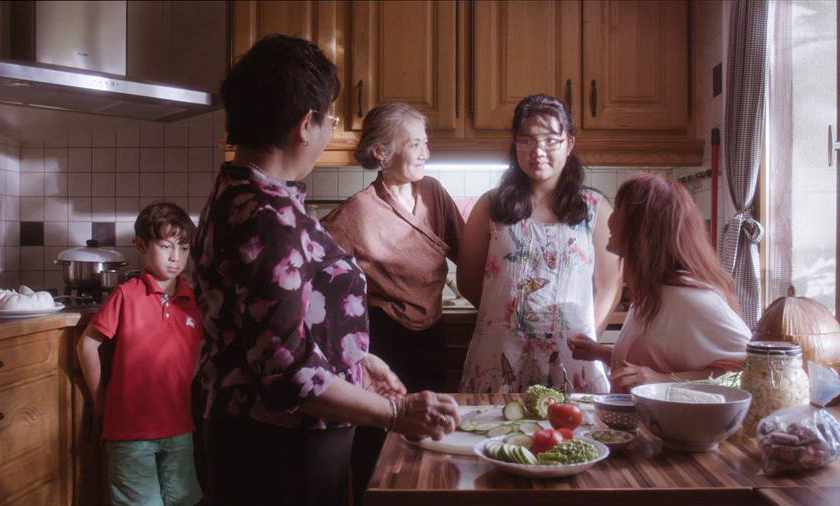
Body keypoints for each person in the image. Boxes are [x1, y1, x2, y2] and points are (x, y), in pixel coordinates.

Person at [191, 35, 460, 506]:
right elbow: (289, 374)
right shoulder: (268, 219)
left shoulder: (242, 195)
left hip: (258, 440)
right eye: (329, 120)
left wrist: (355, 360)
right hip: (278, 454)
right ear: (304, 125)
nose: (329, 131)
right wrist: (395, 411)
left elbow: (272, 327)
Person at [321, 101, 464, 503]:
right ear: (381, 153)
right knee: (378, 448)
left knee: (434, 437)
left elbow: (470, 257)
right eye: (415, 144)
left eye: (425, 143)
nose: (425, 153)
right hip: (382, 342)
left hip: (431, 335)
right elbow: (315, 275)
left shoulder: (434, 193)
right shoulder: (357, 212)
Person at [457, 94, 622, 394]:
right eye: (527, 140)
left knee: (571, 424)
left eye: (551, 141)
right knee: (495, 424)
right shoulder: (490, 206)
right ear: (515, 145)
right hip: (501, 353)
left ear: (569, 144)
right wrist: (508, 317)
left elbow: (609, 286)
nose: (538, 151)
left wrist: (585, 338)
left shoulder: (594, 209)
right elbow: (468, 281)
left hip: (571, 356)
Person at [567, 173, 751, 392]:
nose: (610, 220)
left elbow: (749, 368)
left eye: (618, 210)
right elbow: (655, 360)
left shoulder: (689, 297)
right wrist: (600, 353)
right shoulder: (654, 290)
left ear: (641, 227)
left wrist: (661, 379)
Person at [77, 202, 204, 506]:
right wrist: (100, 401)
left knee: (185, 501)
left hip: (179, 428)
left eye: (184, 248)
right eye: (166, 246)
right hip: (129, 432)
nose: (175, 257)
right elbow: (87, 345)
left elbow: (198, 351)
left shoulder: (193, 300)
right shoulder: (126, 294)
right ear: (141, 246)